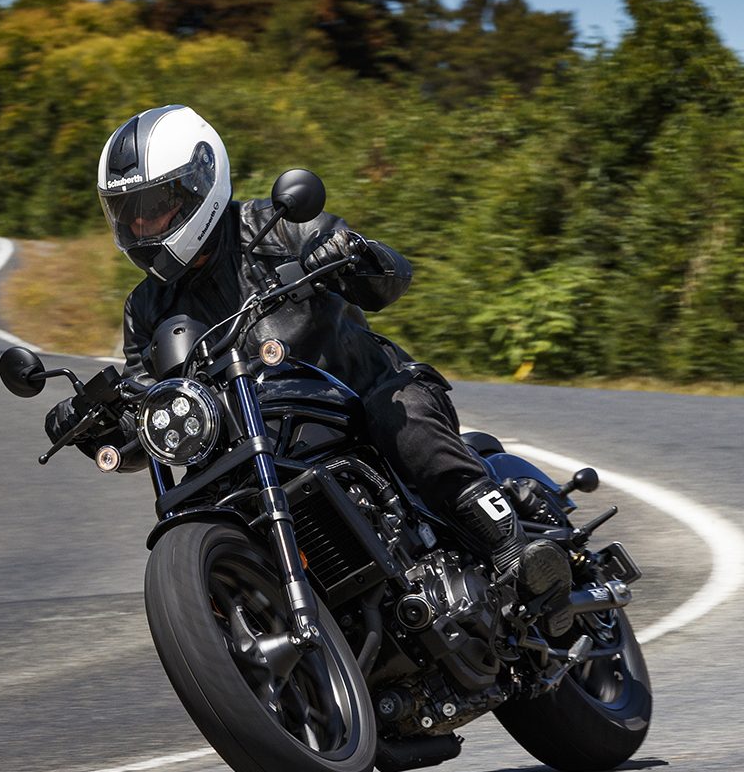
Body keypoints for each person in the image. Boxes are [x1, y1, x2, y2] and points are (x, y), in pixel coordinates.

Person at [49, 103, 557, 587]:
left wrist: (355, 254)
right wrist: (100, 424)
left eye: (153, 207)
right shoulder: (144, 309)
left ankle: (513, 551)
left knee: (395, 412)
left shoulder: (280, 226)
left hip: (356, 404)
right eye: (127, 212)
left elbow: (390, 280)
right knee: (202, 499)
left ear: (197, 187)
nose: (139, 226)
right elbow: (152, 408)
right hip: (252, 452)